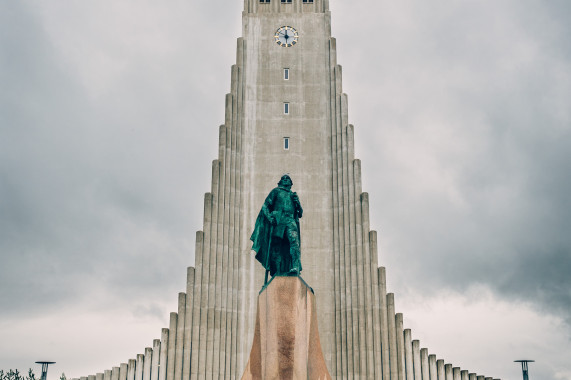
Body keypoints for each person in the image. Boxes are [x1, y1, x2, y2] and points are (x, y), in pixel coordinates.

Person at [250, 174, 303, 279]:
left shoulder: (293, 195)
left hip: (290, 221)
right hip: (279, 221)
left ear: (291, 183)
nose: (285, 180)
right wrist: (270, 218)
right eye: (283, 178)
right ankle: (276, 271)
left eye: (288, 179)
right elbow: (265, 206)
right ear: (280, 182)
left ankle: (295, 267)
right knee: (276, 247)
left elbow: (300, 213)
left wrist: (298, 203)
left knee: (294, 243)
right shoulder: (276, 191)